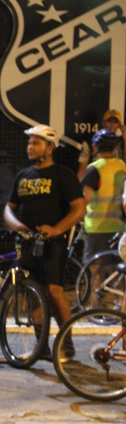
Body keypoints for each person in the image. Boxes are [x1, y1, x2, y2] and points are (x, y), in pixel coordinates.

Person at [3, 124, 86, 355]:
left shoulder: (63, 175)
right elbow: (8, 208)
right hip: (29, 243)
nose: (30, 147)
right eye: (29, 143)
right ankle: (41, 348)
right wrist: (16, 225)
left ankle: (66, 347)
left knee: (54, 291)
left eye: (36, 143)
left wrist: (57, 229)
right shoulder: (23, 175)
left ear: (50, 148)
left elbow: (79, 209)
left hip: (53, 243)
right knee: (33, 292)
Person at [80, 129, 126, 307]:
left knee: (96, 271)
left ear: (95, 146)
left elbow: (86, 198)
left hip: (97, 227)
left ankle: (95, 308)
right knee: (119, 271)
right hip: (121, 228)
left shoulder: (95, 168)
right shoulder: (122, 166)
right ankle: (119, 307)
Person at [78, 109, 126, 179]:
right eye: (109, 121)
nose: (111, 125)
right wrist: (78, 188)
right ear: (103, 122)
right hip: (96, 180)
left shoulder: (121, 142)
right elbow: (82, 169)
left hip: (116, 182)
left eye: (115, 122)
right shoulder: (90, 142)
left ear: (119, 125)